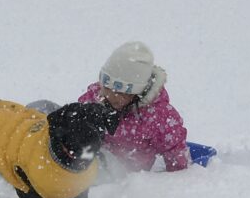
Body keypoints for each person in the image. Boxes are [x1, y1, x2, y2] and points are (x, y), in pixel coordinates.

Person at [77, 41, 189, 172]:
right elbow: (77, 124)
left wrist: (174, 176)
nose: (109, 95)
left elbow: (174, 148)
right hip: (97, 159)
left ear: (136, 93)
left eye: (119, 92)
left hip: (133, 172)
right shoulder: (95, 99)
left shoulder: (157, 116)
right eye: (106, 86)